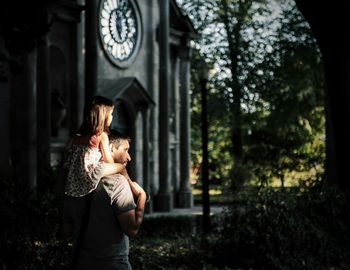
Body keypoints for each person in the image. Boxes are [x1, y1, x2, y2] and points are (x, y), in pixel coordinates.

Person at [63, 130, 147, 270]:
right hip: (113, 264)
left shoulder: (72, 184)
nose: (129, 157)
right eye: (125, 150)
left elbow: (66, 231)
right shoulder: (118, 183)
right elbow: (132, 229)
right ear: (111, 148)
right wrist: (142, 197)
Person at [63, 95, 129, 197]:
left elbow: (67, 150)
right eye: (111, 114)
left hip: (75, 178)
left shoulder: (77, 136)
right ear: (103, 115)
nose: (112, 117)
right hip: (92, 174)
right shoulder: (101, 135)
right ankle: (132, 188)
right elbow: (108, 160)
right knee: (121, 167)